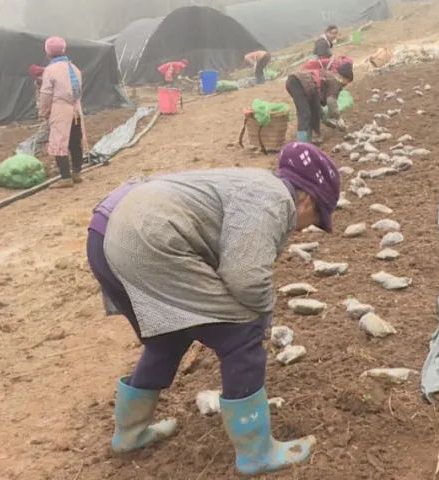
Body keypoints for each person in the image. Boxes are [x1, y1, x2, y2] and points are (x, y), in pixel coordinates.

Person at [85, 142, 340, 476]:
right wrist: (262, 317)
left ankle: (130, 434)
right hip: (147, 239)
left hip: (106, 234)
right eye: (317, 217)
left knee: (169, 334)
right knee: (242, 332)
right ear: (306, 198)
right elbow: (244, 279)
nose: (308, 228)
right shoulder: (274, 200)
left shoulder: (251, 183)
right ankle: (256, 452)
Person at [37, 36, 87, 188]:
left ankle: (65, 178)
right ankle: (77, 173)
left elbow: (46, 94)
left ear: (48, 53)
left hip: (60, 111)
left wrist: (43, 112)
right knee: (75, 142)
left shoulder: (50, 70)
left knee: (58, 143)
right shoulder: (75, 68)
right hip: (76, 110)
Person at [285, 61, 353, 144]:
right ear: (345, 79)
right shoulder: (335, 81)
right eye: (348, 82)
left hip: (301, 84)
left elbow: (318, 110)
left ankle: (310, 139)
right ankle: (301, 144)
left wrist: (329, 121)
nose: (346, 84)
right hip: (298, 83)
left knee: (313, 112)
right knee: (305, 113)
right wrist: (338, 118)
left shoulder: (328, 76)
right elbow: (331, 101)